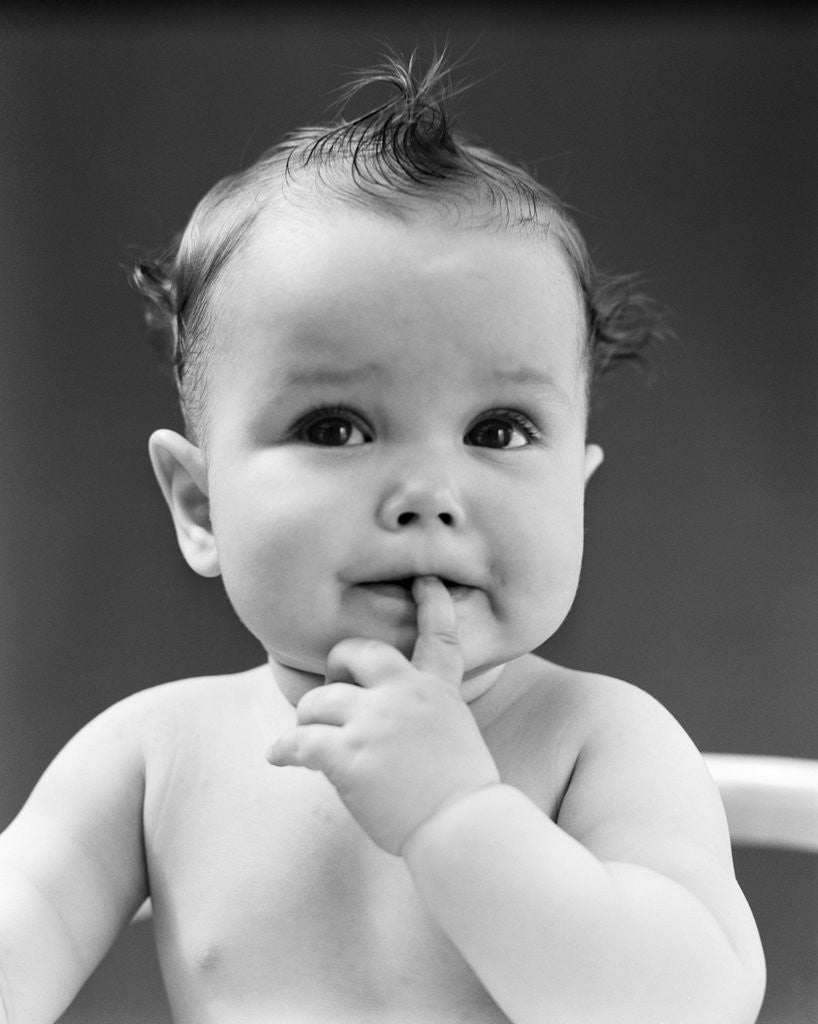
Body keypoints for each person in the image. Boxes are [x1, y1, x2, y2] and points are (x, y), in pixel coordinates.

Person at [0, 53, 765, 1024]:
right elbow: (20, 918)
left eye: (496, 430)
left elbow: (686, 1006)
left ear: (577, 490)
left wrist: (455, 816)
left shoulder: (596, 744)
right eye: (334, 428)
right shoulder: (155, 754)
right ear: (200, 507)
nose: (426, 493)